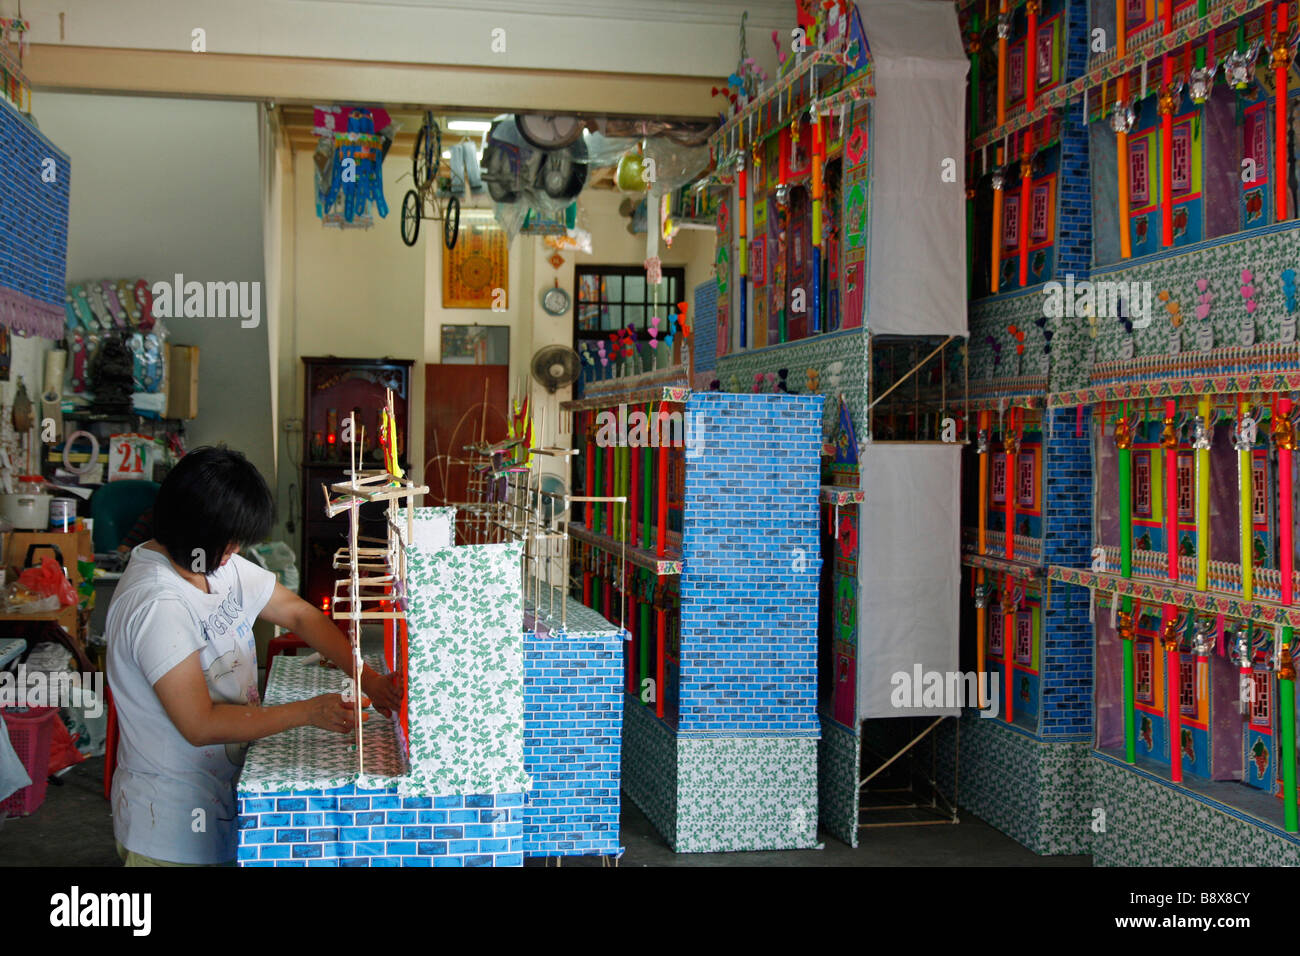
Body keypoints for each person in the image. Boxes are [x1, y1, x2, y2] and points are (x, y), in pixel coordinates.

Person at [106, 445, 399, 866]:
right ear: (192, 530)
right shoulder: (157, 603)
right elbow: (200, 723)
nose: (234, 552)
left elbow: (298, 614)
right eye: (228, 543)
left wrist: (368, 678)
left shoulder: (212, 562)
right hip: (168, 825)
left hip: (219, 797)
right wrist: (309, 711)